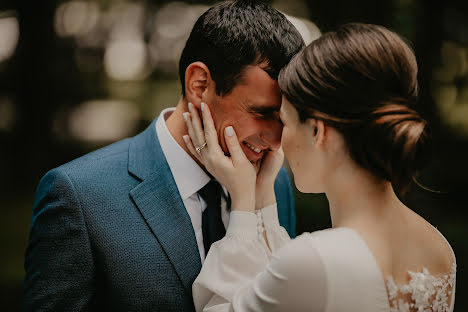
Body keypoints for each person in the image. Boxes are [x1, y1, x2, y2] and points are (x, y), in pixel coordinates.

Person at [22, 1, 304, 311]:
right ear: (199, 85)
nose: (277, 139)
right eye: (262, 113)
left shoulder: (274, 183)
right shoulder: (80, 196)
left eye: (285, 117)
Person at [185, 23, 457, 311]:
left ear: (318, 131)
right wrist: (261, 194)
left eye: (285, 122)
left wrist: (243, 202)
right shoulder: (439, 248)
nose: (277, 143)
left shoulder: (313, 260)